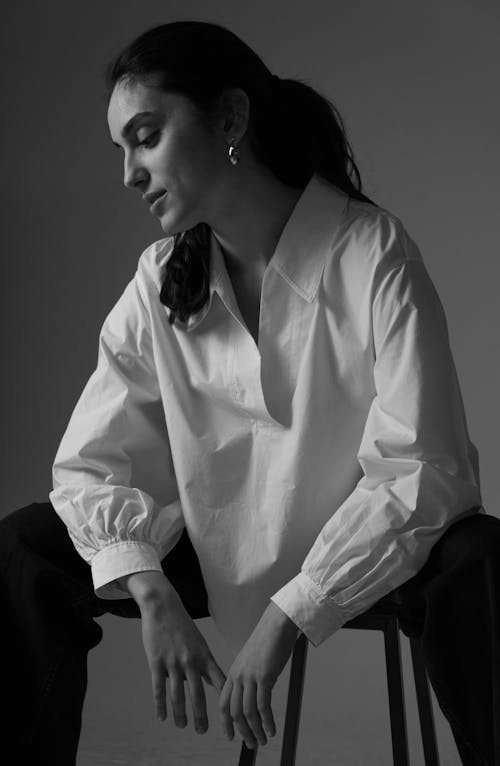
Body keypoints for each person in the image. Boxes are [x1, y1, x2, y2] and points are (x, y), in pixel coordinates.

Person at [1, 19, 499, 766]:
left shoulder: (371, 253)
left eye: (145, 136)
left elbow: (425, 470)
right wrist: (149, 590)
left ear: (230, 118)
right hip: (216, 547)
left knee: (480, 557)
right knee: (24, 548)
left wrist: (288, 615)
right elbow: (87, 467)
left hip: (363, 555)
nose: (129, 172)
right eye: (122, 149)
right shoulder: (159, 279)